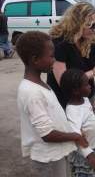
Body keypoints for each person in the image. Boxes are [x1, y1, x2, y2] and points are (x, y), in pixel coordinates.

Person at [16, 31, 88, 177]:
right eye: (50, 56)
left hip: (55, 154)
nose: (54, 60)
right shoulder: (32, 93)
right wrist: (75, 136)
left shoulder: (39, 84)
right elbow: (47, 134)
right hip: (47, 157)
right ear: (35, 59)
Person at [47, 3, 95, 116]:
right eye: (91, 25)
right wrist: (93, 72)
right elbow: (64, 83)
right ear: (77, 23)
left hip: (86, 92)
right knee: (71, 131)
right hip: (63, 97)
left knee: (91, 127)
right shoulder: (60, 42)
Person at [60, 69, 95, 177]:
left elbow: (89, 119)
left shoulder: (85, 100)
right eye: (86, 84)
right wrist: (89, 154)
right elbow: (76, 135)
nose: (90, 86)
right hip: (86, 153)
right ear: (76, 91)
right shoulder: (73, 111)